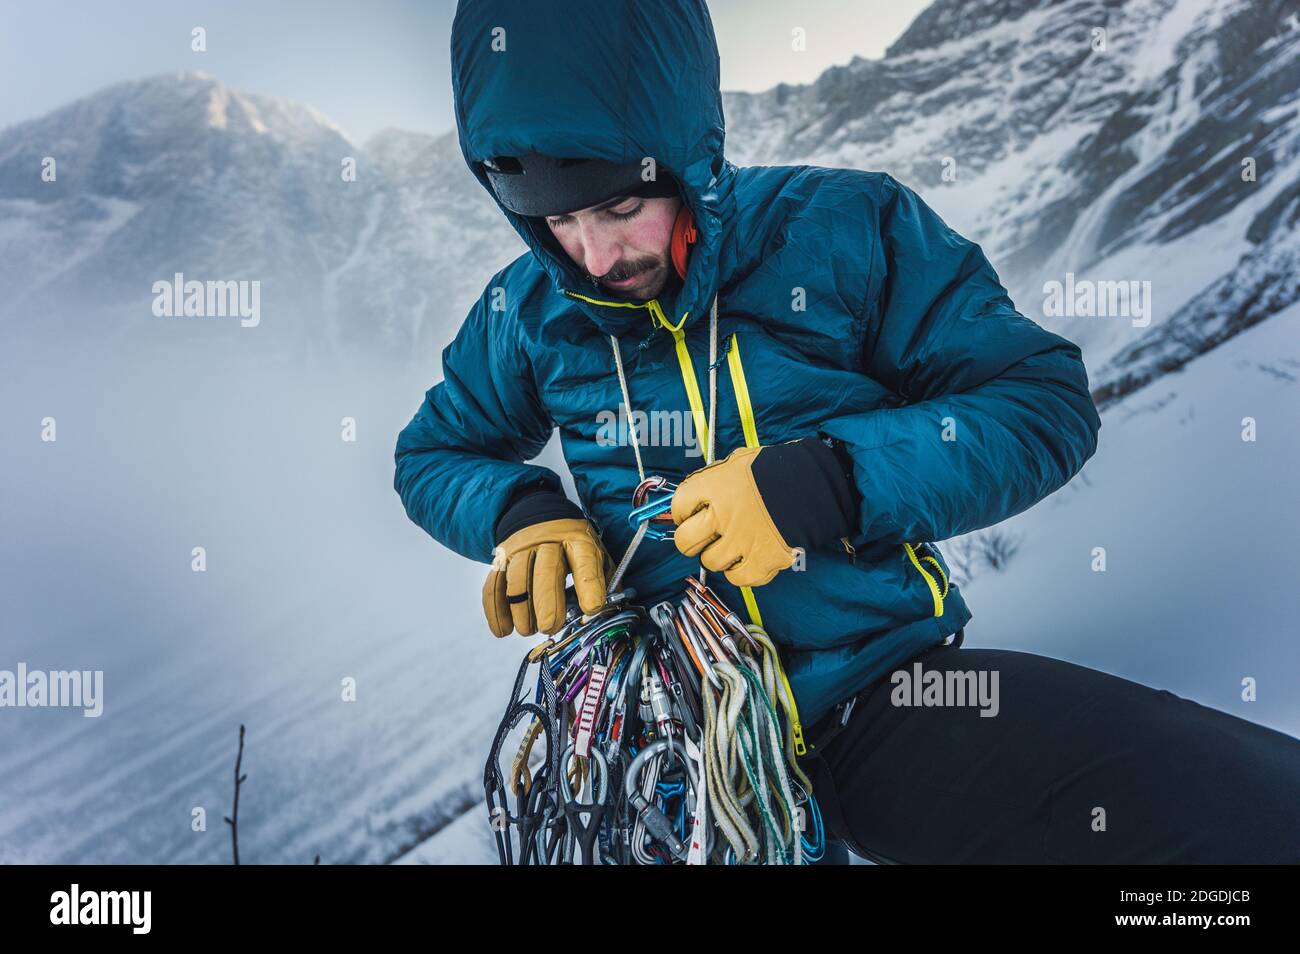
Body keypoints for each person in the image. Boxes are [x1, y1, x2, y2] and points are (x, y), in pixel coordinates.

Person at [395, 0, 1300, 862]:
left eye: (620, 208)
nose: (595, 257)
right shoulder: (525, 307)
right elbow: (435, 452)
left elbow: (1040, 402)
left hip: (887, 696)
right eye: (558, 221)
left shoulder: (843, 229)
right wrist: (519, 512)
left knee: (1244, 812)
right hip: (674, 769)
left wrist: (826, 483)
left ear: (678, 157)